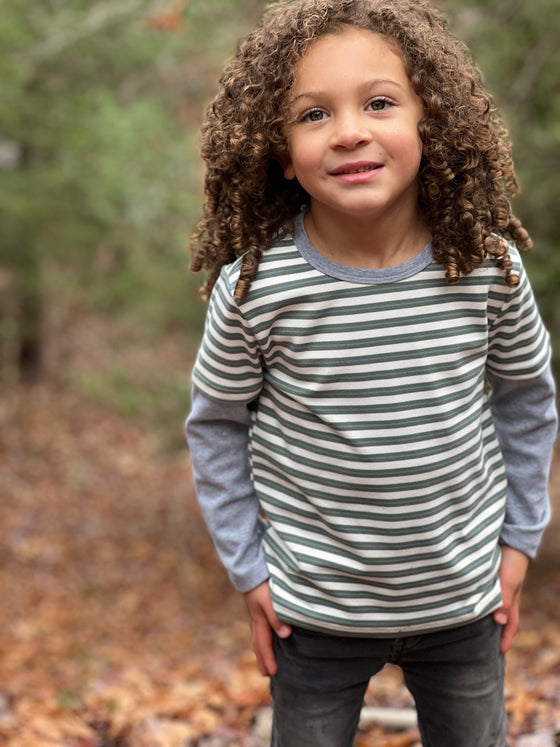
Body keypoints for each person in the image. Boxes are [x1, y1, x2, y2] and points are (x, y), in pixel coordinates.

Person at [185, 1, 557, 744]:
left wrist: (519, 542)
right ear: (281, 152)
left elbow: (527, 403)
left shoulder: (486, 268)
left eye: (379, 103)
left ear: (431, 124)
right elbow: (217, 428)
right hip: (315, 615)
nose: (349, 130)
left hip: (464, 606)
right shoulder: (260, 290)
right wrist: (252, 573)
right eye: (313, 114)